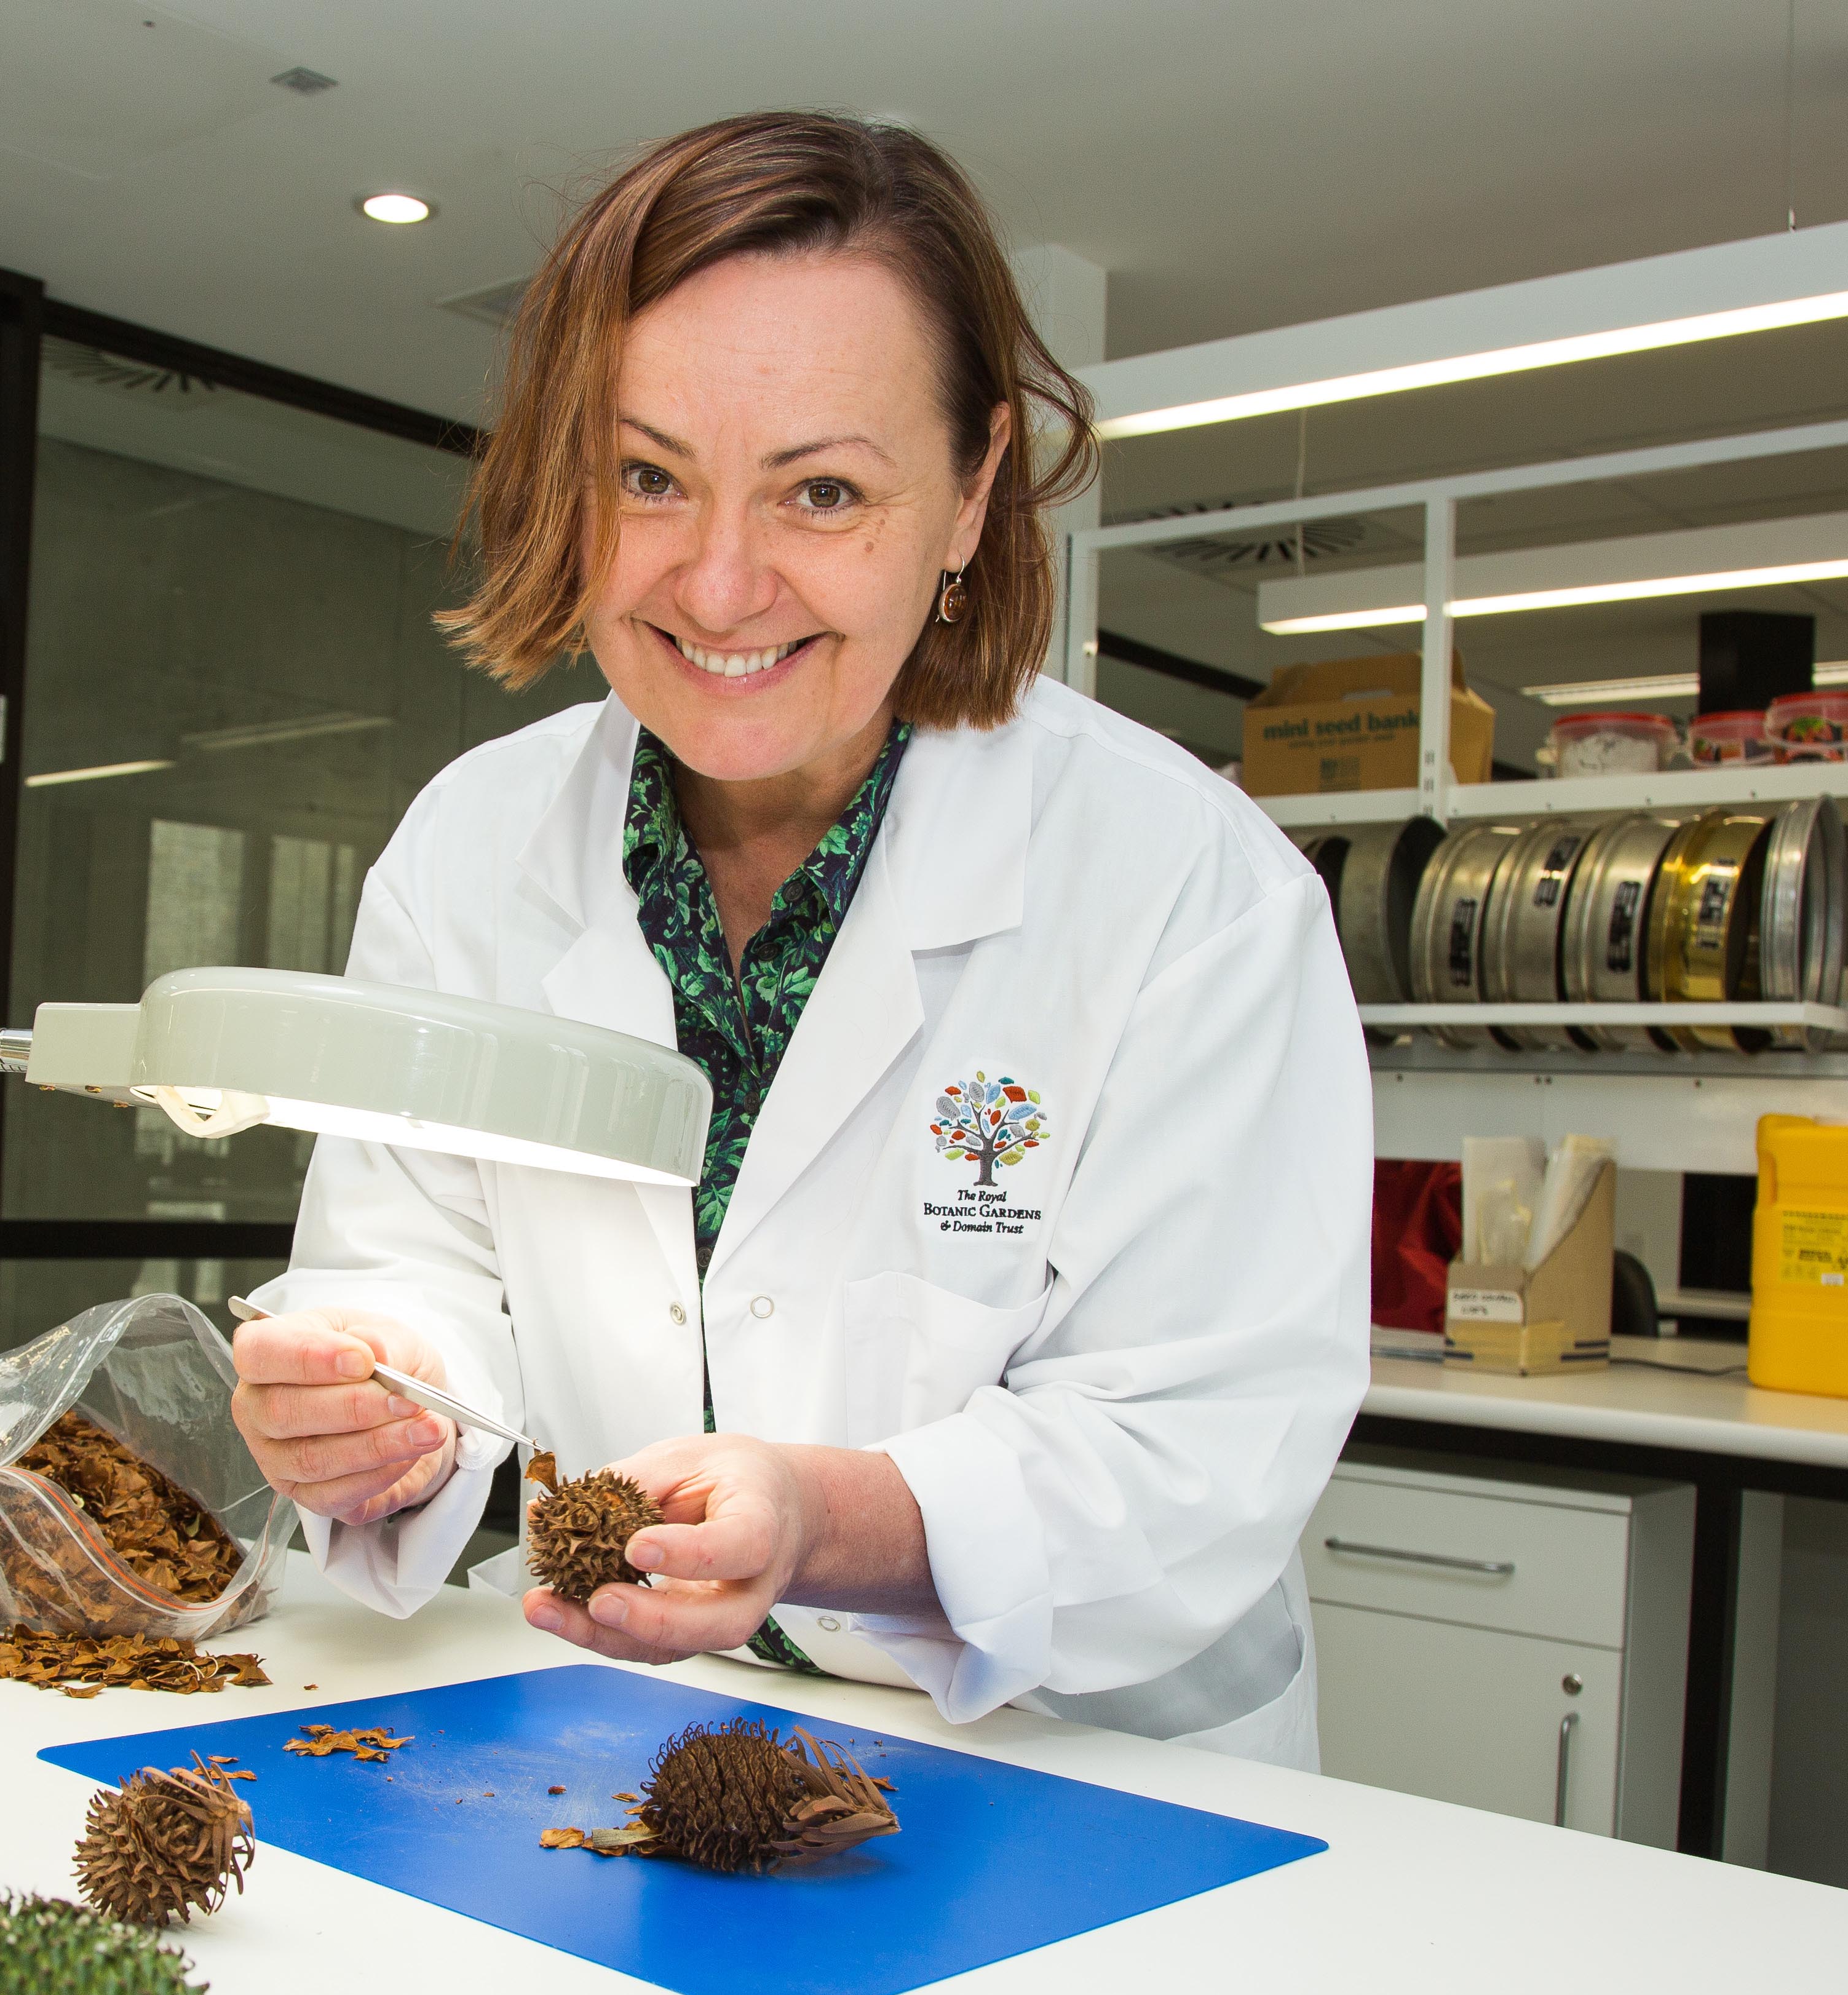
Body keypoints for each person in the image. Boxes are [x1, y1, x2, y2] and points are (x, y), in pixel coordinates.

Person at [234, 112, 1368, 1763]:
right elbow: (411, 1259)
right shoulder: (473, 849)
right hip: (631, 1723)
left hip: (1079, 1771)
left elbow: (1200, 1445)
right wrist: (381, 1395)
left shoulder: (1188, 886)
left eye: (821, 491)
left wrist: (829, 1517)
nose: (718, 584)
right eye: (650, 477)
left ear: (970, 492)